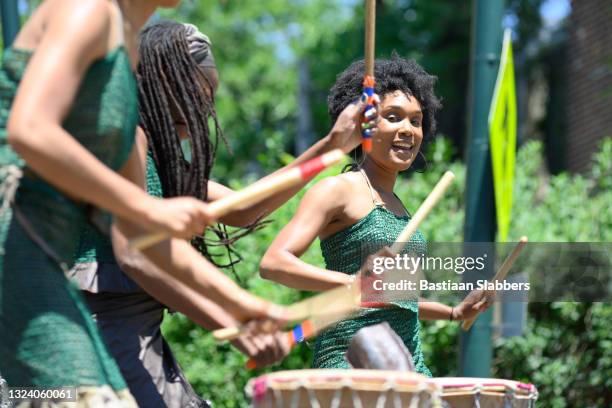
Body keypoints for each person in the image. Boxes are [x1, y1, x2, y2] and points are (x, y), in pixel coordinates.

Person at [69, 20, 378, 407]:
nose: (203, 109)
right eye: (191, 94)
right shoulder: (127, 136)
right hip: (97, 339)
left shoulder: (161, 164)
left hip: (130, 338)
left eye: (209, 96)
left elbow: (244, 208)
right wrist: (235, 324)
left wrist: (333, 146)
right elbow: (137, 255)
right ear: (154, 82)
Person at [0, 0, 220, 404]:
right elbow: (29, 130)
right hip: (17, 252)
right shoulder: (87, 10)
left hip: (47, 260)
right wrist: (150, 208)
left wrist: (246, 312)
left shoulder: (126, 50)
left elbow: (140, 240)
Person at [260, 56, 492, 375]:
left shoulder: (399, 206)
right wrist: (352, 283)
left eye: (416, 120)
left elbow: (395, 299)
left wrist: (454, 312)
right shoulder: (337, 189)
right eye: (393, 117)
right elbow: (273, 263)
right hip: (350, 368)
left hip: (407, 367)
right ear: (365, 125)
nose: (408, 130)